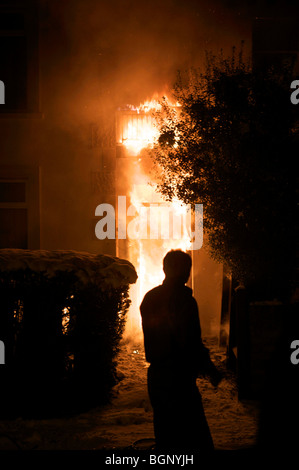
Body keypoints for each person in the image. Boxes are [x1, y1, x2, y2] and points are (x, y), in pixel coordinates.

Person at [140, 249, 222, 452]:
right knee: (194, 436)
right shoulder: (185, 301)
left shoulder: (149, 298)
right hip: (179, 378)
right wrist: (208, 367)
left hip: (157, 376)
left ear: (164, 269)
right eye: (187, 268)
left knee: (166, 435)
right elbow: (189, 341)